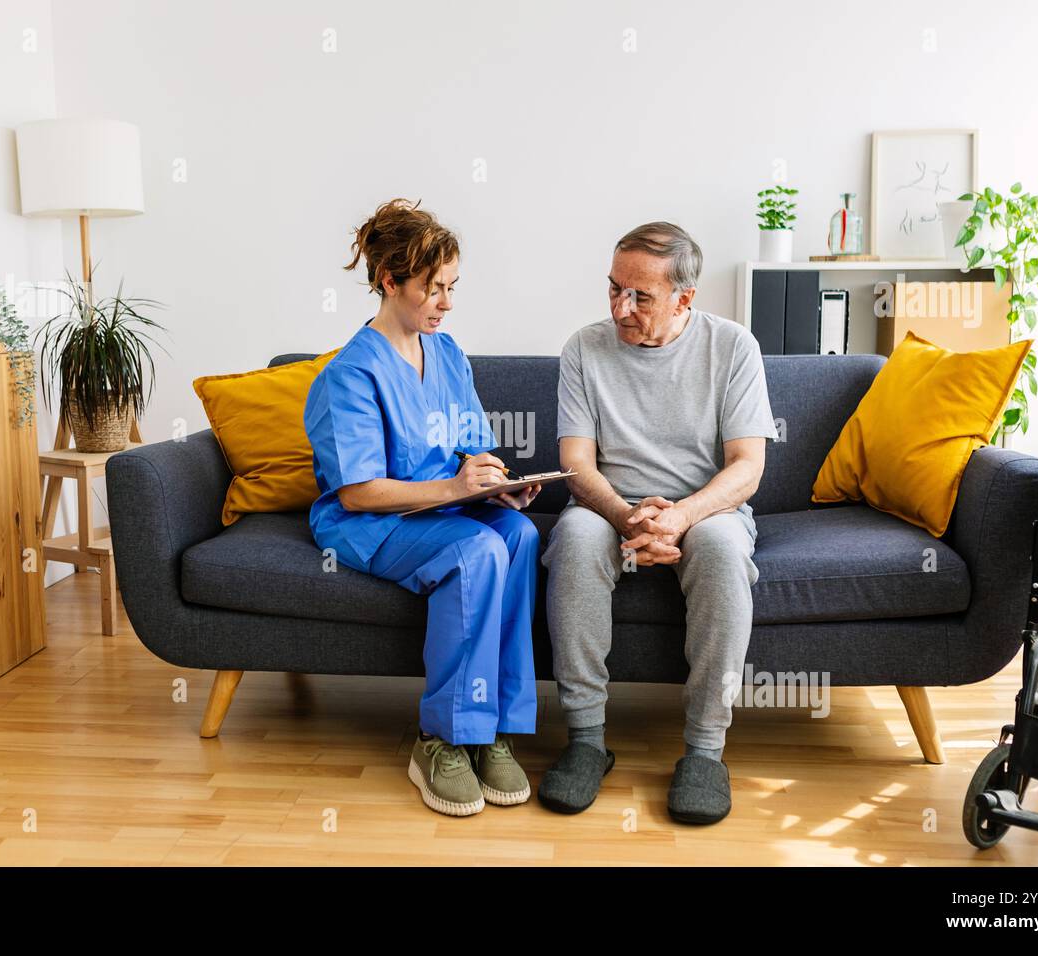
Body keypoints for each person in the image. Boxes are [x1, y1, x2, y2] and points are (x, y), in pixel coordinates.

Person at [304, 199, 543, 817]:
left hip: (442, 507)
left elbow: (471, 446)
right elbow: (359, 491)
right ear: (389, 281)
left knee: (518, 532)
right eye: (434, 288)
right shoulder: (349, 375)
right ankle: (441, 738)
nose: (447, 302)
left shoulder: (448, 354)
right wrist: (457, 493)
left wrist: (498, 482)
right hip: (370, 523)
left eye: (452, 287)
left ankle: (491, 727)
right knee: (478, 548)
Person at [538, 221, 777, 824]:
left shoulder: (733, 347)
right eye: (614, 288)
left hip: (706, 508)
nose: (621, 306)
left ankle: (704, 753)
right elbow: (575, 464)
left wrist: (681, 517)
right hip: (608, 504)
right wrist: (625, 516)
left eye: (640, 296)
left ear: (684, 298)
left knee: (722, 552)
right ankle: (587, 741)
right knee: (573, 541)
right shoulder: (583, 348)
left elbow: (748, 467)